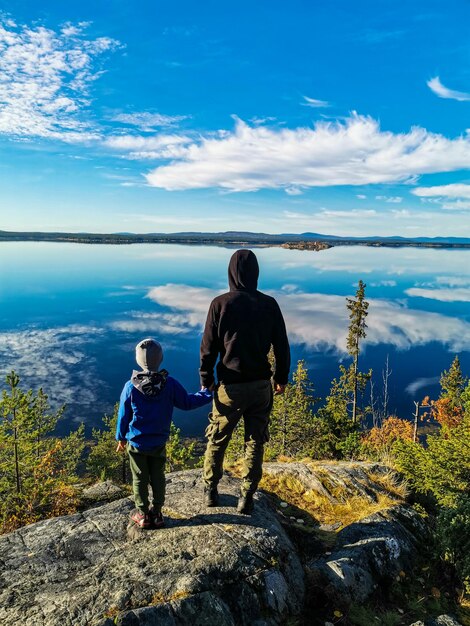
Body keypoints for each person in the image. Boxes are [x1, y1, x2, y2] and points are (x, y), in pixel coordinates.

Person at [200, 249, 290, 514]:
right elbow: (282, 346)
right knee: (255, 441)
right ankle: (246, 496)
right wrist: (281, 378)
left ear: (231, 273)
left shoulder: (220, 303)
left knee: (217, 439)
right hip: (261, 386)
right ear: (256, 274)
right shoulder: (269, 304)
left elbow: (208, 347)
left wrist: (206, 379)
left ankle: (210, 491)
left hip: (230, 386)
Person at [116, 338, 212, 529]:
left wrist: (120, 438)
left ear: (137, 360)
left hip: (136, 443)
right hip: (158, 442)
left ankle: (142, 514)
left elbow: (123, 416)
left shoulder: (130, 387)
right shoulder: (169, 384)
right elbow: (187, 402)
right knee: (158, 476)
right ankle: (157, 513)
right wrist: (207, 394)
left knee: (139, 478)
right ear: (160, 359)